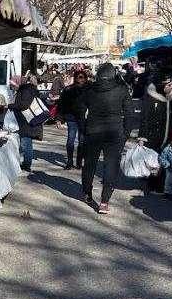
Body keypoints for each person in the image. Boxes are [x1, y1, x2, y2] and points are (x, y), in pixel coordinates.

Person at [80, 63, 137, 214]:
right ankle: (104, 201)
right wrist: (125, 134)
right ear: (113, 74)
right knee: (110, 166)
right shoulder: (122, 89)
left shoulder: (90, 89)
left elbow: (80, 110)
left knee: (90, 164)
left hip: (94, 131)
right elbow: (130, 114)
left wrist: (84, 129)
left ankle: (87, 193)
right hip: (114, 132)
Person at [10, 74, 44, 171]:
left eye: (13, 85)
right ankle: (26, 162)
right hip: (28, 120)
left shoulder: (25, 90)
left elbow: (24, 105)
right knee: (26, 142)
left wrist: (10, 106)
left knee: (26, 142)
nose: (12, 87)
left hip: (27, 120)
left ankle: (27, 164)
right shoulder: (27, 89)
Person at [58, 69, 89, 169]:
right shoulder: (70, 89)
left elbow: (61, 104)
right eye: (79, 77)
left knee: (78, 140)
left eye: (82, 78)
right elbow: (61, 104)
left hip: (79, 118)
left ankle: (75, 161)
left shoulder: (87, 90)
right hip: (75, 117)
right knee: (76, 140)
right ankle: (74, 161)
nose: (80, 80)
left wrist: (60, 118)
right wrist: (60, 118)